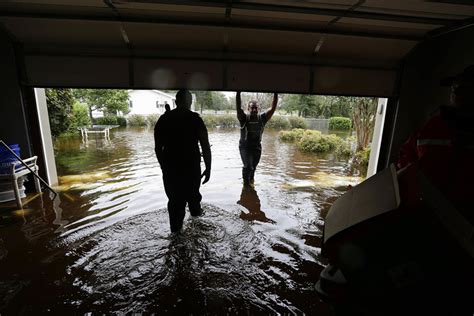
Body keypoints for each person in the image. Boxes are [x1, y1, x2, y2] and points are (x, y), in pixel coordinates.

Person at [396, 65, 474, 223]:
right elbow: (407, 155)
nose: (456, 90)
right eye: (455, 86)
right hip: (424, 211)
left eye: (465, 86)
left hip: (464, 220)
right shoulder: (434, 124)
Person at [154, 89, 212, 233]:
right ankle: (197, 232)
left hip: (171, 169)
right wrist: (208, 168)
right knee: (193, 200)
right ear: (189, 102)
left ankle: (175, 235)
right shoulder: (195, 119)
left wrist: (164, 167)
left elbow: (157, 148)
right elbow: (205, 146)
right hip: (191, 168)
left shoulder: (163, 119)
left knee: (175, 204)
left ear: (176, 101)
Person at [236, 92, 278, 186]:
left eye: (256, 108)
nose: (254, 109)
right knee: (248, 166)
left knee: (253, 167)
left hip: (256, 147)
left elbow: (273, 108)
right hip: (244, 147)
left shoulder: (262, 118)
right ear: (248, 109)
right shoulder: (243, 118)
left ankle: (251, 182)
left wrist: (276, 93)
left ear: (258, 109)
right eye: (252, 108)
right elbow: (238, 108)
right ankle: (246, 186)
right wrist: (238, 92)